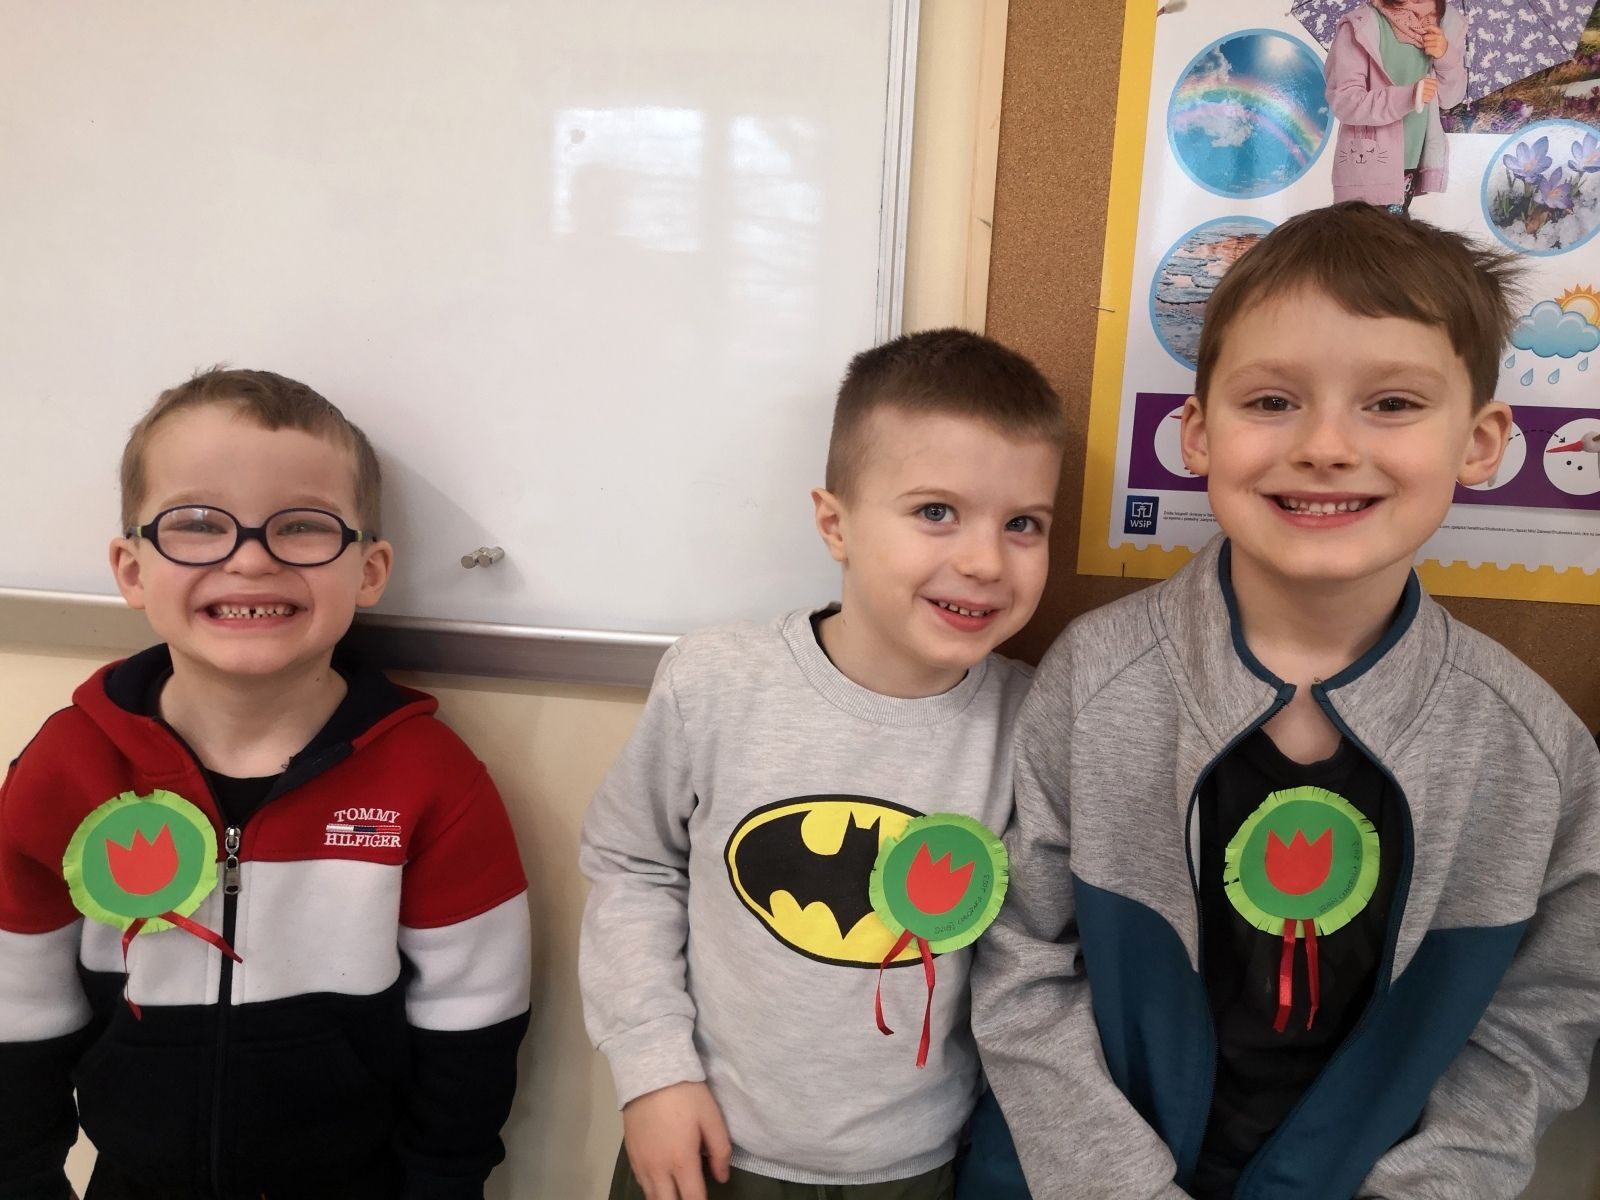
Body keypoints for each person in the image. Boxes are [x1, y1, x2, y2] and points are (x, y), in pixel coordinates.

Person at [968, 204, 1600, 1199]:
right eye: (1271, 401)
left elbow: (1536, 1026)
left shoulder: (1533, 751)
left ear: (1479, 443)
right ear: (1197, 433)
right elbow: (1020, 964)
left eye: (1392, 403)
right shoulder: (1093, 680)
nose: (1325, 446)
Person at [0, 368, 532, 1199]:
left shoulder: (430, 779)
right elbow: (16, 1002)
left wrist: (444, 1182)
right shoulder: (67, 769)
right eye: (197, 524)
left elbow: (474, 1020)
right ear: (132, 570)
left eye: (304, 526)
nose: (250, 559)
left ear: (369, 571)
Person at [579, 328, 1066, 1200]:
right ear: (835, 524)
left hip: (917, 1164)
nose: (985, 561)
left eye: (1022, 523)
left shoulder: (1031, 722)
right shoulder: (717, 682)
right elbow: (631, 863)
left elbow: (1032, 960)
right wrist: (652, 1071)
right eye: (936, 512)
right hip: (709, 1147)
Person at [1327, 0, 1465, 214]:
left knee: (1394, 232)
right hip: (1369, 164)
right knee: (1363, 233)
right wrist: (1407, 97)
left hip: (1411, 161)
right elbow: (1345, 101)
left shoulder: (1444, 26)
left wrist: (1445, 56)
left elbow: (1450, 98)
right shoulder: (1362, 25)